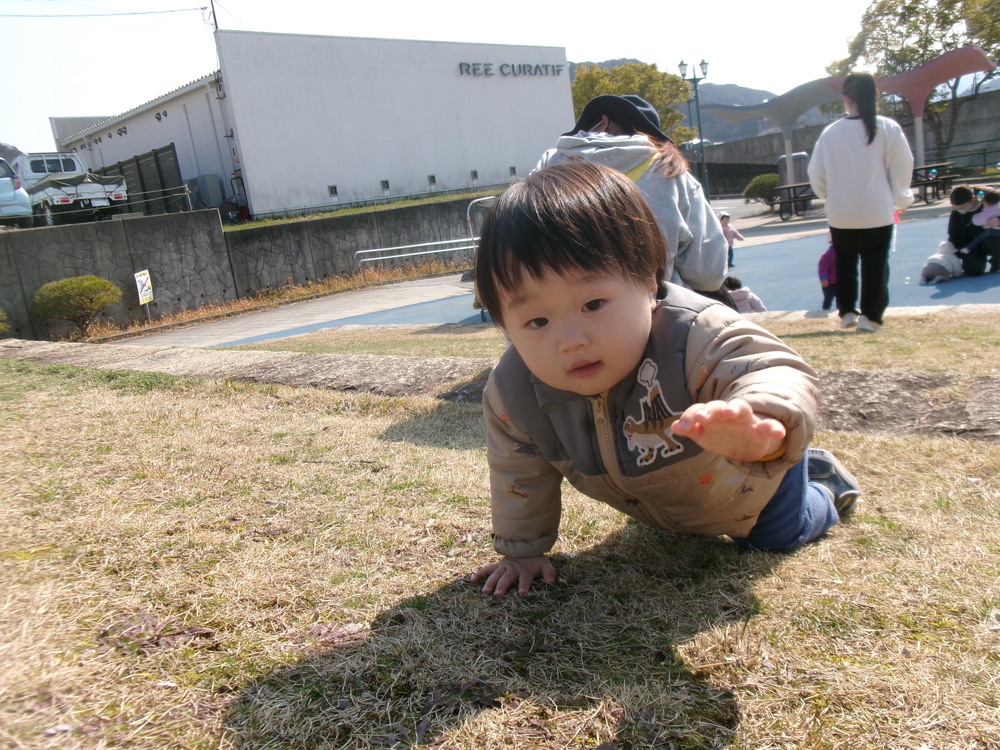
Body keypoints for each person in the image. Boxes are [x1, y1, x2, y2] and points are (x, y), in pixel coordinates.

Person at [469, 162, 861, 597]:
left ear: (648, 280)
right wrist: (522, 551)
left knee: (776, 537)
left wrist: (761, 422)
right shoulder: (515, 392)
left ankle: (824, 482)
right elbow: (518, 469)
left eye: (593, 304)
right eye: (537, 321)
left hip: (749, 478)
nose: (571, 341)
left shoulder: (694, 334)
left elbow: (769, 368)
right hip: (669, 502)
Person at [533, 94, 728, 296]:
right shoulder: (672, 175)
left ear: (604, 121)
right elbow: (708, 274)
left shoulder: (548, 166)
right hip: (652, 309)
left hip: (561, 308)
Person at [807, 72, 914, 334]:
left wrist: (828, 196)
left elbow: (816, 173)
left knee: (844, 262)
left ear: (845, 97)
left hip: (841, 212)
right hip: (877, 209)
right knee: (875, 263)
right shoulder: (887, 128)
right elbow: (902, 167)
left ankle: (847, 312)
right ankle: (871, 317)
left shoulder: (831, 133)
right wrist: (901, 198)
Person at [958, 187, 1000, 275]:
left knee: (995, 242)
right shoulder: (958, 212)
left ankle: (996, 261)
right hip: (971, 241)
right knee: (973, 270)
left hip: (990, 240)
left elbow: (977, 220)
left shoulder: (987, 209)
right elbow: (954, 235)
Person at [818, 235, 838, 310]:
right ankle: (825, 311)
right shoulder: (827, 255)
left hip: (840, 282)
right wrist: (823, 279)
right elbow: (822, 268)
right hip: (829, 283)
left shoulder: (843, 254)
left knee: (841, 300)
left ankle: (840, 311)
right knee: (828, 299)